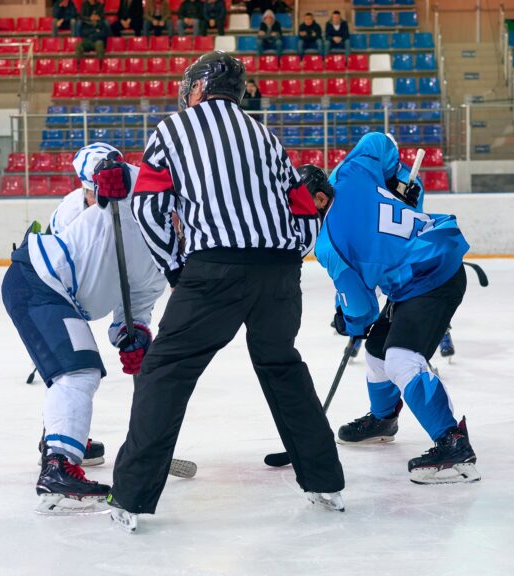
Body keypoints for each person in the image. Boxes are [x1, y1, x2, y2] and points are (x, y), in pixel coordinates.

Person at [105, 51, 345, 532]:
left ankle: (130, 498)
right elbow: (302, 215)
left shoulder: (172, 130)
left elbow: (149, 210)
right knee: (281, 366)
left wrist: (178, 268)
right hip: (278, 273)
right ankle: (325, 482)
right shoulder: (268, 137)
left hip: (213, 269)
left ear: (198, 87)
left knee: (165, 372)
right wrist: (285, 260)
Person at [1, 142, 166, 513]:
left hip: (57, 297)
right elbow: (108, 168)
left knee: (78, 369)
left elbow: (135, 307)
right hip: (38, 283)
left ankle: (64, 440)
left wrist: (133, 335)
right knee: (78, 371)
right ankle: (58, 463)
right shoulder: (127, 197)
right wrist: (111, 174)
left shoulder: (159, 266)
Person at [317, 132, 480, 485]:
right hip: (429, 259)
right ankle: (383, 419)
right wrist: (400, 182)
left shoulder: (328, 243)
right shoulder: (349, 173)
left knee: (401, 359)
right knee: (377, 350)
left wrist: (347, 320)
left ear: (315, 200)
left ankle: (453, 444)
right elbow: (379, 142)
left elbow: (361, 310)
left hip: (431, 278)